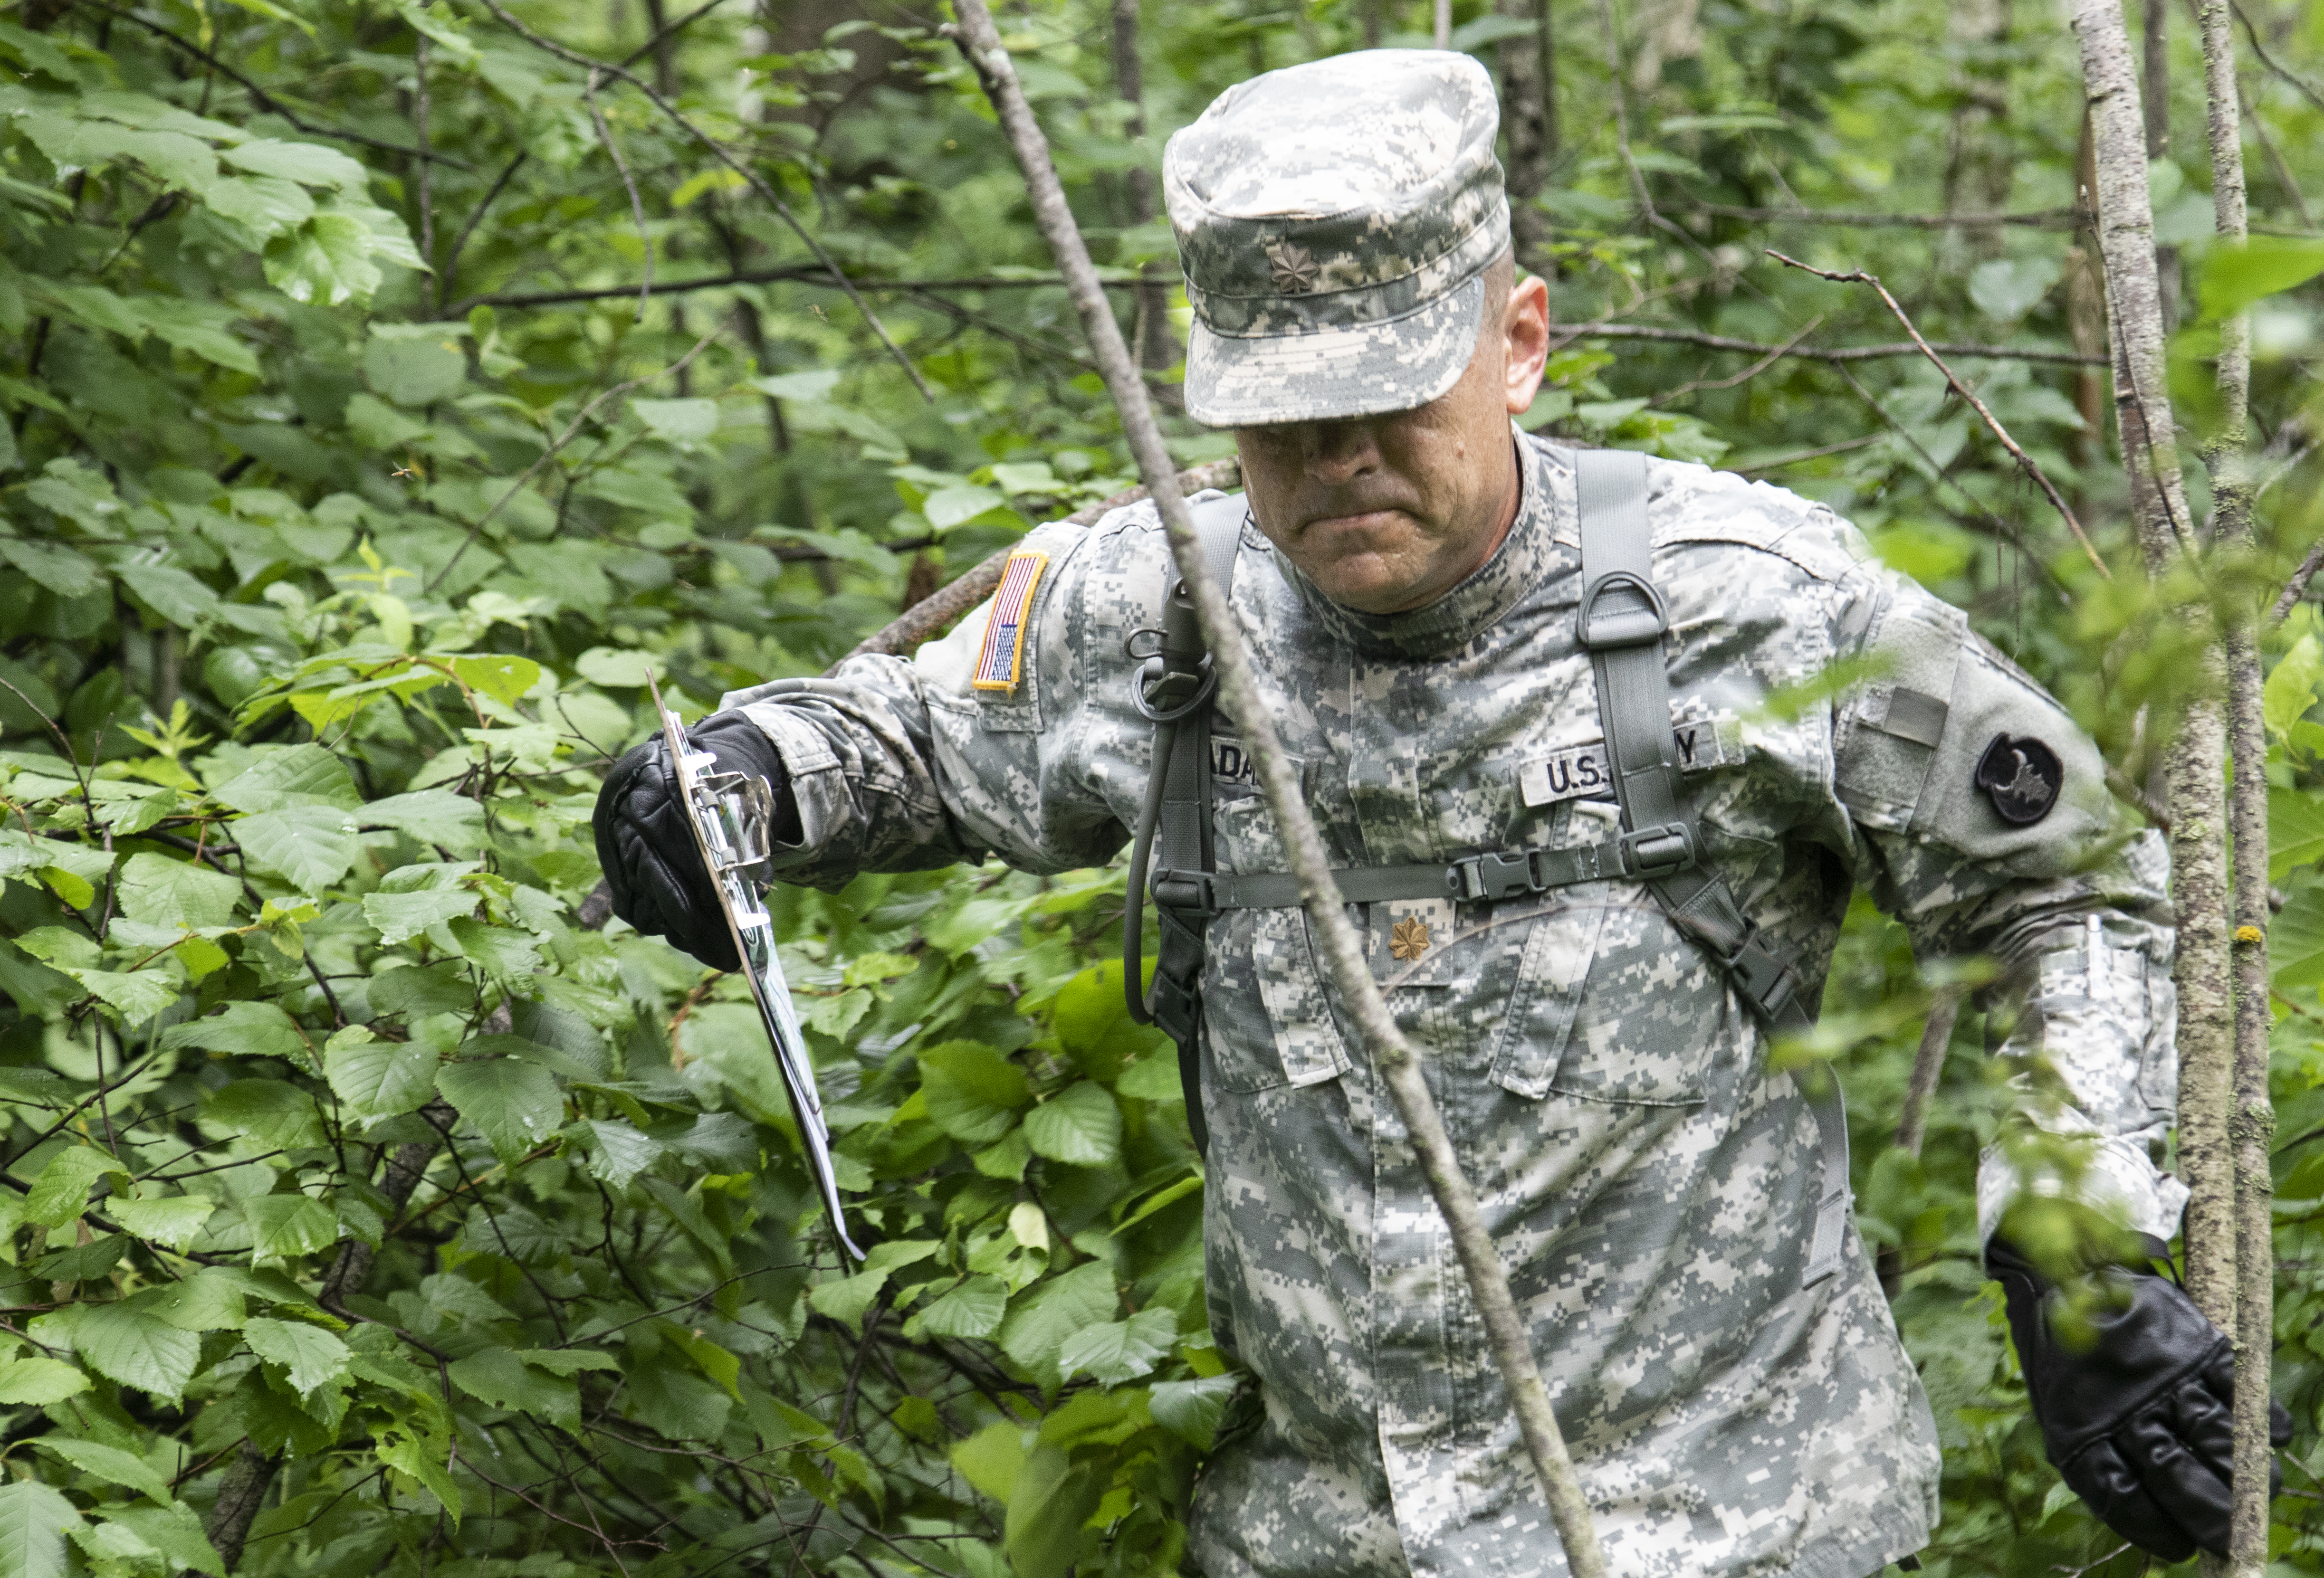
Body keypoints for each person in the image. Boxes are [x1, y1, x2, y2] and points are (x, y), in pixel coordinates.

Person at [595, 48, 2284, 1578]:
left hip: (1729, 1528)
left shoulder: (1752, 603)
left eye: (1386, 403)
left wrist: (2078, 1239)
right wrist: (743, 778)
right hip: (1320, 1531)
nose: (1335, 462)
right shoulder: (1166, 603)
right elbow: (902, 731)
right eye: (1280, 422)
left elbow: (2062, 887)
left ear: (1520, 342)